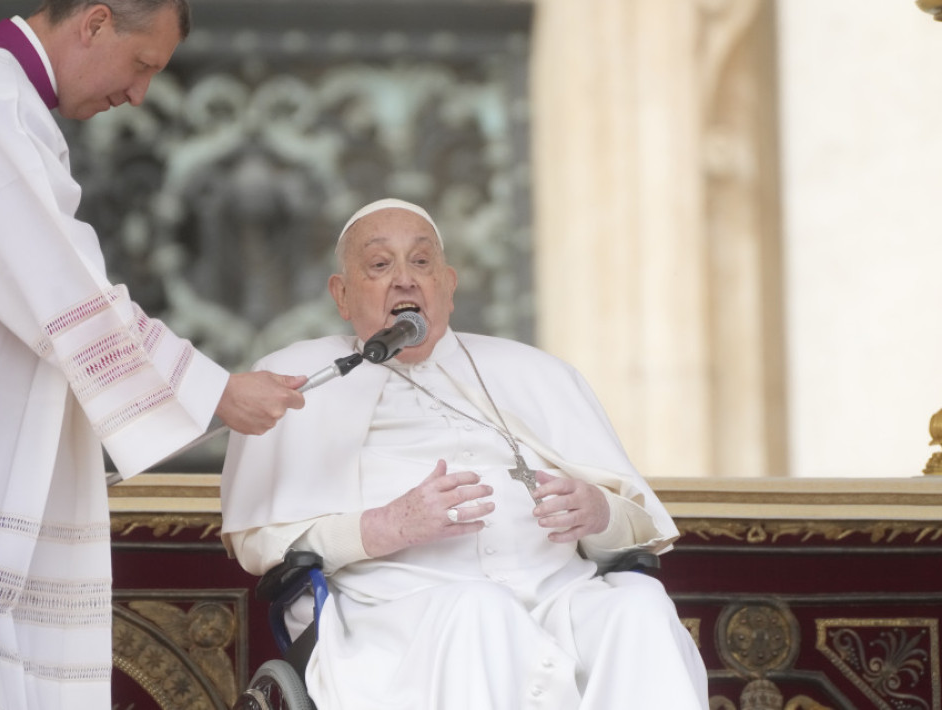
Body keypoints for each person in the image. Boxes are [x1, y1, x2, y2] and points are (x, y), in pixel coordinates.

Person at [0, 0, 306, 708]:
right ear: (94, 23)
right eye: (141, 64)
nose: (139, 94)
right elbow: (64, 291)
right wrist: (217, 391)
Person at [221, 199, 709, 709]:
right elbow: (262, 544)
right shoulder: (301, 378)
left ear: (449, 286)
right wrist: (384, 526)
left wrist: (600, 513)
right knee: (480, 608)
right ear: (341, 295)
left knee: (639, 606)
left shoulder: (536, 372)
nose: (405, 280)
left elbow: (636, 531)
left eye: (421, 262)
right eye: (380, 264)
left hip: (561, 601)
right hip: (396, 615)